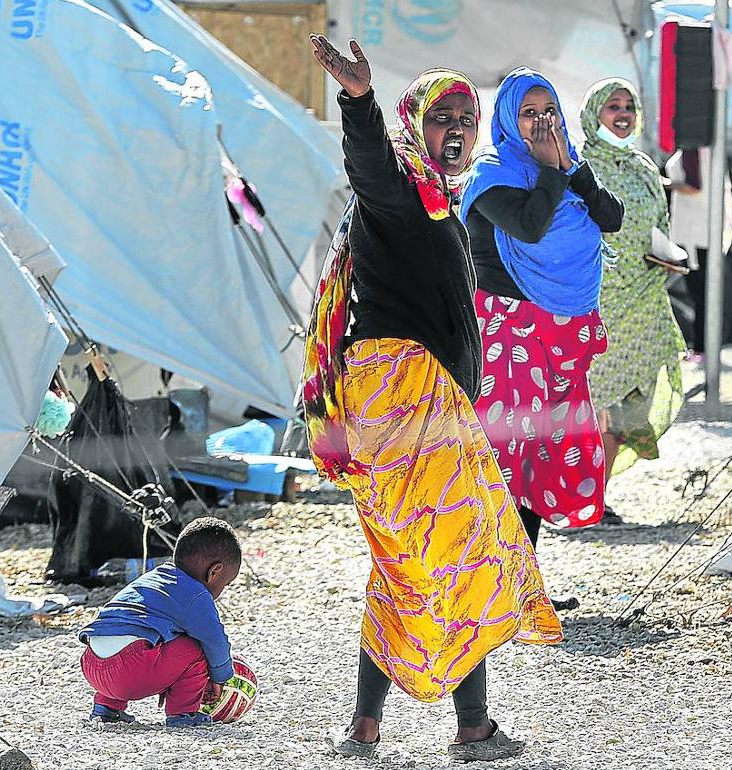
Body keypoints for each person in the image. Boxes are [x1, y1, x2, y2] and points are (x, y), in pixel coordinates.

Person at [304, 37, 561, 762]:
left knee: (409, 562)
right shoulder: (397, 190)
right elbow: (369, 169)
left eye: (465, 120)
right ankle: (473, 729)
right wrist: (359, 103)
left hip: (421, 399)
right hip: (400, 395)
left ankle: (365, 727)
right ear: (416, 124)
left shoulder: (438, 201)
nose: (455, 131)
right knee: (460, 553)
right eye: (441, 117)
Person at [461, 68, 624, 546]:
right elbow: (529, 227)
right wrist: (552, 172)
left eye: (549, 111)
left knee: (541, 454)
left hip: (557, 335)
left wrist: (571, 167)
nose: (540, 122)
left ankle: (524, 571)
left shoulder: (565, 169)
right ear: (508, 119)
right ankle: (491, 568)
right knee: (504, 452)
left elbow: (611, 216)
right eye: (528, 113)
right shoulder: (491, 174)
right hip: (506, 334)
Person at [579, 78, 685, 517]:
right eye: (613, 106)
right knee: (596, 402)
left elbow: (659, 225)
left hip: (643, 301)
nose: (622, 114)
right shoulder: (579, 166)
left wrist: (668, 257)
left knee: (629, 400)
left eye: (628, 106)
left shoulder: (644, 167)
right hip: (597, 301)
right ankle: (585, 499)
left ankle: (596, 497)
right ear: (594, 114)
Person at [78, 517, 241, 728]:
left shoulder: (154, 578)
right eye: (225, 584)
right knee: (198, 647)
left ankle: (106, 708)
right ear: (214, 572)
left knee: (135, 634)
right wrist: (222, 677)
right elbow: (215, 641)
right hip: (130, 671)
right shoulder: (196, 595)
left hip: (92, 666)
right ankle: (183, 714)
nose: (222, 590)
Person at [663, 146, 732, 360]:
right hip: (703, 230)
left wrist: (663, 182)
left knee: (700, 293)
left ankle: (703, 346)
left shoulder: (692, 149)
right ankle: (705, 345)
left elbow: (693, 187)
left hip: (694, 232)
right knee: (703, 293)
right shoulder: (707, 150)